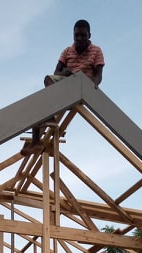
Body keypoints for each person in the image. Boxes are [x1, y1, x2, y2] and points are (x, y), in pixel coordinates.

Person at [21, 19, 104, 156]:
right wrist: (65, 73)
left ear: (89, 35)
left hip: (83, 86)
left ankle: (48, 120)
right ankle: (36, 141)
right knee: (44, 91)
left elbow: (98, 75)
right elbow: (56, 73)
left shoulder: (96, 51)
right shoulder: (67, 51)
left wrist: (92, 87)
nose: (79, 38)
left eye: (83, 35)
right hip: (67, 83)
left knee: (47, 97)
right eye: (76, 35)